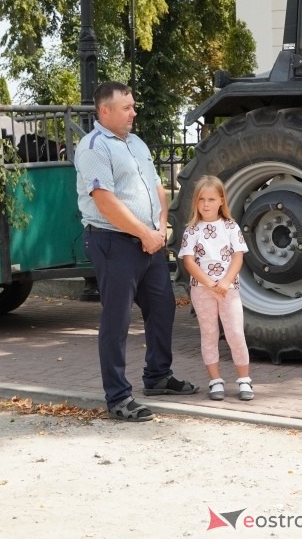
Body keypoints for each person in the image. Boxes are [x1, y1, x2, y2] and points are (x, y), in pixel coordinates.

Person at [75, 82, 198, 422]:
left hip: (149, 242)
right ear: (105, 111)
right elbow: (105, 201)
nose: (134, 112)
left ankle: (158, 376)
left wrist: (160, 228)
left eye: (133, 105)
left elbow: (156, 187)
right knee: (117, 319)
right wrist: (144, 233)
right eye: (126, 107)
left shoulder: (137, 143)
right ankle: (117, 397)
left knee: (163, 306)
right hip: (113, 242)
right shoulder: (94, 147)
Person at [178, 175, 255, 402]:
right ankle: (215, 381)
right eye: (201, 199)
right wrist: (209, 283)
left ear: (221, 200)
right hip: (202, 290)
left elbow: (238, 257)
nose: (206, 204)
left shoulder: (230, 227)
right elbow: (189, 261)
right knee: (209, 334)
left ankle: (244, 380)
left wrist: (224, 281)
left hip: (227, 289)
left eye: (211, 199)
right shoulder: (192, 231)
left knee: (235, 333)